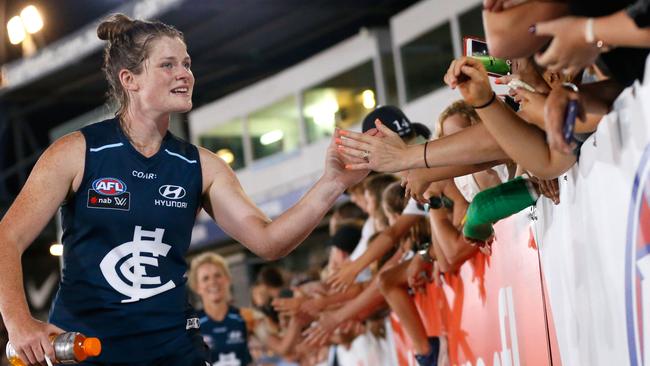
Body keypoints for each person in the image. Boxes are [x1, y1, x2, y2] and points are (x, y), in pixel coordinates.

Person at [0, 14, 367, 366]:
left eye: (187, 64)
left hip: (173, 348)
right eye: (168, 65)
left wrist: (332, 184)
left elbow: (269, 242)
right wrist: (19, 322)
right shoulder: (77, 151)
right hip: (90, 349)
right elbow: (7, 237)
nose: (184, 74)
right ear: (130, 79)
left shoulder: (201, 165)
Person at [189, 253, 253, 366]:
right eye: (205, 278)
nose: (213, 282)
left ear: (228, 279)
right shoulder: (190, 325)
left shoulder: (246, 317)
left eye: (217, 275)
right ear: (197, 287)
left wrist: (295, 316)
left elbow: (284, 349)